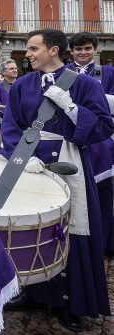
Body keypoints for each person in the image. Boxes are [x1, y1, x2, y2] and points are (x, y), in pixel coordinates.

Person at [0, 29, 113, 331]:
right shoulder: (22, 85)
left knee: (72, 228)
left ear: (53, 50)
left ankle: (70, 302)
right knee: (34, 224)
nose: (28, 55)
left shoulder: (86, 84)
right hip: (32, 165)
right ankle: (33, 293)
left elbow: (104, 126)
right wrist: (22, 158)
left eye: (34, 49)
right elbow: (9, 127)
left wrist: (73, 108)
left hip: (69, 161)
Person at [67, 31, 114, 254]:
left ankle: (102, 241)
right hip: (70, 140)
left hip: (102, 141)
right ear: (71, 51)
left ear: (95, 50)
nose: (83, 53)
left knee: (103, 194)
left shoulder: (108, 72)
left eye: (87, 49)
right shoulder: (63, 73)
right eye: (78, 49)